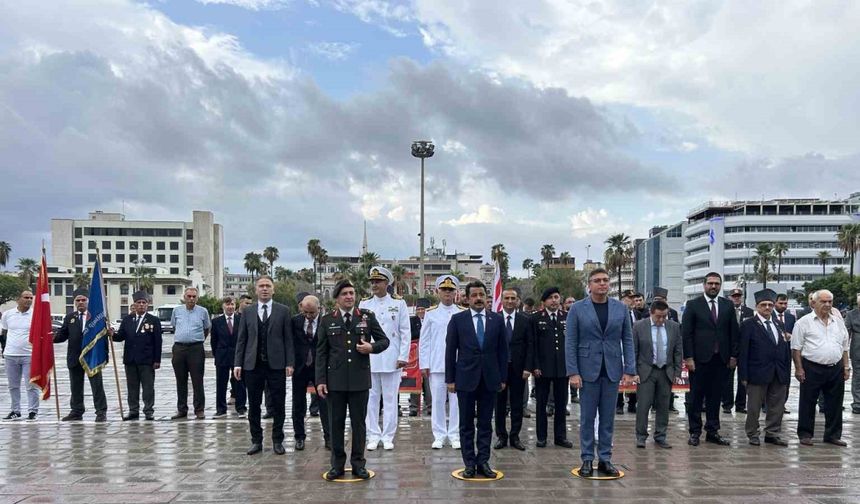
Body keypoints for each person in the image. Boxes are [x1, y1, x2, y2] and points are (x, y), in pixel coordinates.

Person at [316, 280, 389, 481]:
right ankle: (337, 465)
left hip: (359, 380)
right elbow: (321, 353)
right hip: (335, 381)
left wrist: (371, 348)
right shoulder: (327, 320)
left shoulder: (366, 317)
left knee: (359, 425)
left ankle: (358, 464)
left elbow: (384, 340)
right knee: (335, 424)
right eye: (345, 294)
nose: (349, 297)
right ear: (337, 298)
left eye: (351, 293)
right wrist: (321, 380)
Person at [446, 280, 507, 479]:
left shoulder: (497, 320)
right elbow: (450, 351)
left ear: (486, 296)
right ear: (467, 298)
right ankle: (469, 464)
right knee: (465, 424)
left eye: (481, 294)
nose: (478, 298)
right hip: (465, 379)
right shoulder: (458, 320)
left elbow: (503, 352)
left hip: (489, 379)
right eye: (474, 295)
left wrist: (502, 378)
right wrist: (450, 379)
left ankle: (483, 461)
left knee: (485, 423)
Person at [233, 276, 295, 455]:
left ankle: (277, 440)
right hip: (252, 365)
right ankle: (256, 440)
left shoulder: (283, 311)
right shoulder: (248, 311)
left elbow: (288, 339)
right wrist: (238, 363)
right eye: (261, 286)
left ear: (273, 289)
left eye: (268, 286)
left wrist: (289, 362)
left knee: (278, 404)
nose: (265, 289)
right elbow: (242, 339)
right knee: (253, 404)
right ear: (256, 290)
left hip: (276, 365)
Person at [682, 272, 740, 447]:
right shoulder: (693, 305)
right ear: (704, 285)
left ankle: (713, 431)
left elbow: (734, 333)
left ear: (720, 286)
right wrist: (689, 357)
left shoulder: (727, 306)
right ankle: (695, 432)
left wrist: (733, 356)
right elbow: (686, 334)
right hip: (699, 360)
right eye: (710, 283)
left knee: (715, 397)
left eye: (717, 284)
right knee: (695, 398)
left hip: (721, 359)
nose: (713, 286)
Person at [359, 266, 410, 451]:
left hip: (391, 357)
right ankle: (373, 435)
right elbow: (360, 332)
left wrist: (403, 356)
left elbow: (405, 331)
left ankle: (388, 436)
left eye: (378, 281)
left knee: (390, 399)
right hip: (369, 358)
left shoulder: (399, 303)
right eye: (372, 282)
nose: (374, 285)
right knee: (371, 399)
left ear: (387, 283)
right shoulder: (364, 304)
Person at [792, 289, 850, 447]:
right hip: (812, 367)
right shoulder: (803, 322)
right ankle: (805, 434)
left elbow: (844, 346)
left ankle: (833, 435)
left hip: (835, 367)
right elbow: (796, 348)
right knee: (807, 402)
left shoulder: (838, 321)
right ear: (813, 303)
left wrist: (846, 366)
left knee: (835, 404)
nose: (827, 304)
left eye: (830, 302)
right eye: (823, 301)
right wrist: (798, 368)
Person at [738, 288, 791, 447]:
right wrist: (743, 376)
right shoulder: (748, 324)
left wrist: (787, 372)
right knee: (754, 406)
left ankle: (772, 433)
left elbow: (784, 349)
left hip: (778, 371)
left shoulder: (778, 324)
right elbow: (743, 352)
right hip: (757, 373)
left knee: (776, 405)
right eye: (763, 305)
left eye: (770, 304)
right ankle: (753, 433)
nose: (767, 308)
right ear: (757, 306)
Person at [419, 276, 464, 449]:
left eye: (450, 290)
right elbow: (425, 341)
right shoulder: (430, 313)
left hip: (457, 364)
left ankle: (454, 435)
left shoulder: (461, 312)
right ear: (438, 291)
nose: (447, 293)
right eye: (444, 290)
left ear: (455, 292)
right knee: (437, 401)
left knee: (456, 403)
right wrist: (424, 364)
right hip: (437, 364)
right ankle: (438, 435)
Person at [53, 288, 108, 422]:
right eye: (78, 300)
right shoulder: (70, 317)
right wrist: (49, 338)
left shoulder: (96, 317)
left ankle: (101, 412)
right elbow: (62, 335)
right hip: (74, 357)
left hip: (92, 357)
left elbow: (103, 337)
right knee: (75, 386)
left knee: (97, 386)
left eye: (83, 300)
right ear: (75, 302)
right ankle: (77, 411)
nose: (81, 302)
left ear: (88, 301)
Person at [633, 300, 682, 449]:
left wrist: (677, 372)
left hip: (666, 371)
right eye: (658, 317)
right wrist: (633, 372)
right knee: (643, 405)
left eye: (664, 316)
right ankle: (641, 436)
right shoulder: (639, 326)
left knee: (663, 405)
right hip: (646, 371)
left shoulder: (674, 327)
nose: (661, 320)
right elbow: (633, 350)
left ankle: (661, 435)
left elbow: (678, 350)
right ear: (651, 313)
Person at [531, 286, 573, 448]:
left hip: (562, 368)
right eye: (550, 298)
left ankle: (560, 436)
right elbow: (533, 344)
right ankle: (541, 437)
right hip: (542, 368)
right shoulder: (536, 318)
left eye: (556, 297)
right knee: (541, 404)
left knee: (561, 404)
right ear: (544, 302)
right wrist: (535, 365)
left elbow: (571, 343)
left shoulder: (567, 317)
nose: (554, 301)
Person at [112, 291, 162, 421]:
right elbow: (120, 336)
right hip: (130, 359)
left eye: (143, 303)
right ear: (134, 304)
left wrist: (157, 360)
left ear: (147, 305)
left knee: (148, 388)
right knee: (132, 388)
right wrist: (111, 334)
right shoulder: (127, 319)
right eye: (138, 303)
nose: (141, 305)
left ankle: (148, 410)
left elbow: (158, 341)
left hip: (147, 360)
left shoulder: (153, 320)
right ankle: (133, 410)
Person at [494, 287, 532, 451]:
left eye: (513, 298)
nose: (510, 301)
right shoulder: (494, 319)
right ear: (502, 300)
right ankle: (501, 436)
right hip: (499, 369)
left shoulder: (525, 320)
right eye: (507, 298)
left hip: (518, 368)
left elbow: (531, 345)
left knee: (517, 404)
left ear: (518, 301)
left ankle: (515, 436)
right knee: (499, 404)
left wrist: (528, 367)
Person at [291, 295, 329, 450]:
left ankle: (329, 437)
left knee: (325, 403)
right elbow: (290, 342)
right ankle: (299, 437)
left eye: (312, 313)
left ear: (319, 309)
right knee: (298, 403)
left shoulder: (326, 322)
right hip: (300, 367)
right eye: (305, 312)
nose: (308, 316)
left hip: (319, 368)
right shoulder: (295, 321)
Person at [170, 287, 210, 420]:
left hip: (196, 349)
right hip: (179, 348)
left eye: (194, 296)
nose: (191, 299)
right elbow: (174, 326)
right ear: (184, 297)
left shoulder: (203, 311)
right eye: (189, 296)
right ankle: (182, 409)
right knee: (180, 380)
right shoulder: (177, 311)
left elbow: (206, 328)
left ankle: (199, 409)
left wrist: (196, 340)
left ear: (197, 298)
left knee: (197, 380)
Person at [1, 291, 39, 420]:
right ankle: (15, 411)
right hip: (11, 355)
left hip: (29, 355)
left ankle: (33, 411)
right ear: (18, 299)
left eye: (30, 298)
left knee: (31, 385)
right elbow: (5, 332)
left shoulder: (36, 314)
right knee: (13, 386)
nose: (28, 300)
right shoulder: (7, 314)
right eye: (25, 297)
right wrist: (4, 349)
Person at [210, 296, 246, 418]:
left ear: (235, 306)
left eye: (232, 304)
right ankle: (221, 409)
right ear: (223, 306)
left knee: (239, 382)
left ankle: (241, 408)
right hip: (222, 356)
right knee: (221, 383)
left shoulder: (241, 319)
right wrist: (217, 354)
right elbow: (213, 341)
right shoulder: (216, 322)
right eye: (227, 304)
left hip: (237, 356)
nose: (230, 307)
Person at [723, 288, 754, 414]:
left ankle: (741, 405)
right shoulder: (725, 311)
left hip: (744, 349)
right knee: (727, 379)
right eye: (734, 296)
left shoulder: (749, 311)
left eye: (738, 296)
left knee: (743, 378)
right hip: (730, 349)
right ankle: (727, 404)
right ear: (730, 297)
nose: (736, 298)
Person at [617, 290, 641, 415]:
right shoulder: (618, 313)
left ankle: (632, 403)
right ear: (623, 299)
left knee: (634, 373)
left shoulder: (637, 314)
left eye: (634, 298)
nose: (632, 300)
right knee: (619, 375)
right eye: (630, 298)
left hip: (635, 348)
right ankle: (619, 404)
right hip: (620, 347)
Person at [409, 298, 432, 417]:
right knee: (414, 382)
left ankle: (430, 406)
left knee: (428, 383)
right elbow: (409, 335)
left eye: (423, 309)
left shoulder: (432, 319)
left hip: (429, 356)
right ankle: (413, 407)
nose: (421, 311)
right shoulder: (411, 321)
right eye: (419, 309)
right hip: (414, 357)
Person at [774, 293, 796, 412]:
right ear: (775, 303)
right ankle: (767, 404)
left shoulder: (790, 318)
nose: (783, 306)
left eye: (785, 303)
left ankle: (782, 403)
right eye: (780, 303)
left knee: (785, 379)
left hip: (786, 353)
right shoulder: (769, 315)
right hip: (771, 353)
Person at [844, 293, 860, 414]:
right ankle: (857, 403)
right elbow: (846, 333)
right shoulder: (851, 314)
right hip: (857, 350)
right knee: (857, 377)